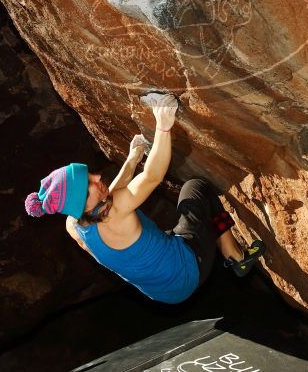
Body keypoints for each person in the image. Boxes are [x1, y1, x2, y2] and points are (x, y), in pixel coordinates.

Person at [24, 93, 264, 304]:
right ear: (83, 202)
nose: (98, 176)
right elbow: (152, 176)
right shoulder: (115, 213)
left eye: (91, 174)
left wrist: (132, 158)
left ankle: (226, 253)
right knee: (196, 188)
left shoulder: (74, 223)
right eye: (90, 183)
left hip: (163, 293)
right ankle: (236, 258)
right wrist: (163, 123)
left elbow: (112, 193)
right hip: (187, 272)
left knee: (170, 232)